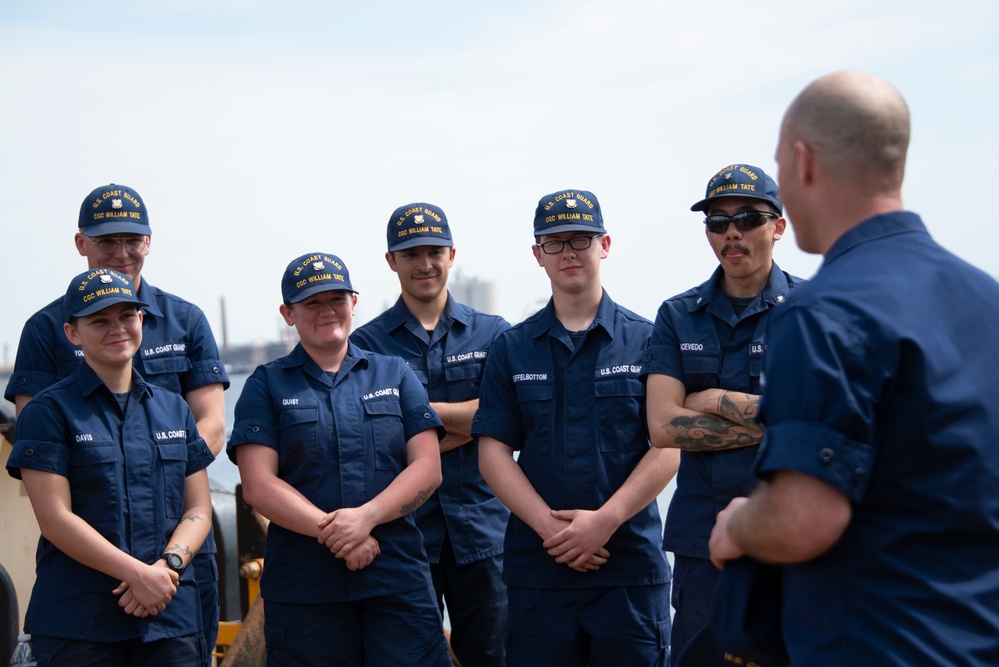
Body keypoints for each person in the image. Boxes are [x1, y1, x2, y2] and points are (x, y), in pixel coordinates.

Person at [708, 70, 999, 665]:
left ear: (803, 162)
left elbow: (802, 520)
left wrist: (739, 524)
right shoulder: (985, 299)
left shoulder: (822, 314)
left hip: (874, 641)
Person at [4, 183, 228, 663]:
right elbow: (40, 457)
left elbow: (206, 432)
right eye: (107, 241)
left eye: (133, 239)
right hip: (87, 586)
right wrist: (133, 568)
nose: (121, 252)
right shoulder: (45, 333)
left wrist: (164, 563)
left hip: (175, 574)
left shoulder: (185, 324)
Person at [472, 189, 677, 666]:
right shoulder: (512, 348)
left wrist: (604, 522)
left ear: (605, 244)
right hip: (539, 571)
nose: (568, 252)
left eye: (580, 239)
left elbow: (669, 444)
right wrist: (552, 530)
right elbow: (493, 453)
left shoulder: (649, 341)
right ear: (537, 254)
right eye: (554, 241)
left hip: (627, 569)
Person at [227, 252, 452, 666]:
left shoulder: (394, 374)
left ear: (354, 302)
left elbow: (427, 467)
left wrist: (365, 518)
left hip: (396, 580)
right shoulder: (266, 385)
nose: (327, 311)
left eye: (337, 299)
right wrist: (339, 534)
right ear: (287, 314)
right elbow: (259, 485)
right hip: (306, 589)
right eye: (311, 302)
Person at [641, 163, 803, 658]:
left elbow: (823, 423)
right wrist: (777, 419)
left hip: (794, 533)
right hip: (703, 545)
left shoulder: (813, 310)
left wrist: (711, 400)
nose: (732, 232)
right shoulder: (677, 315)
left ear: (778, 226)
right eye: (718, 221)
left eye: (749, 218)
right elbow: (664, 426)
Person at [350, 203, 510, 666]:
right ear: (390, 261)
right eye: (411, 253)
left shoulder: (494, 334)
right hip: (402, 534)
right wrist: (471, 424)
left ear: (452, 254)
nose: (424, 264)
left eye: (434, 251)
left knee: (495, 655)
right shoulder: (365, 346)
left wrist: (418, 420)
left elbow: (508, 417)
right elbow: (372, 440)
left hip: (485, 533)